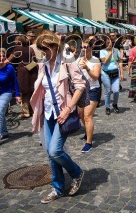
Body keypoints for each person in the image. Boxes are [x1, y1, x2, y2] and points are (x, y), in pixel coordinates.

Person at [30, 30, 85, 203]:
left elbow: (80, 85)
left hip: (63, 112)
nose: (44, 52)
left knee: (55, 150)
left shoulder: (67, 60)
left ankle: (77, 173)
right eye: (42, 49)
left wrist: (68, 108)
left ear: (56, 46)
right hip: (47, 112)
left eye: (47, 48)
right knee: (50, 153)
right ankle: (58, 188)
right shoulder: (43, 63)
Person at [77, 38, 101, 153]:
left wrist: (87, 68)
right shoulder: (79, 60)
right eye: (82, 47)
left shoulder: (95, 61)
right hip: (81, 90)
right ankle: (88, 131)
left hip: (93, 89)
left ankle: (89, 143)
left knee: (87, 116)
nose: (83, 49)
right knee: (81, 114)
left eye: (86, 47)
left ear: (91, 48)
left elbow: (96, 77)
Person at [9, 35, 38, 118]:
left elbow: (9, 59)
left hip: (23, 71)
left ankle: (26, 112)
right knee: (31, 91)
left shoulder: (17, 49)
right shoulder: (30, 49)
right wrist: (29, 67)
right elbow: (35, 60)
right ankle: (32, 110)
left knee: (24, 92)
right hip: (32, 70)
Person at [100, 36, 124, 115]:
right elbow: (104, 62)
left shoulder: (116, 50)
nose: (109, 44)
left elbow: (120, 62)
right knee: (108, 91)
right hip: (105, 73)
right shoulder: (102, 51)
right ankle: (107, 107)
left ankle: (115, 104)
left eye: (110, 42)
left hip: (115, 72)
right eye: (107, 43)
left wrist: (122, 72)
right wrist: (110, 53)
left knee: (116, 90)